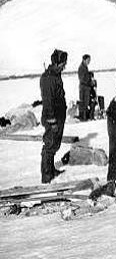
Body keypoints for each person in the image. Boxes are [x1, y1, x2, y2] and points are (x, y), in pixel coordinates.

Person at [40, 49, 68, 183]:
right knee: (49, 144)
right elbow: (48, 101)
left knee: (54, 144)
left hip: (58, 116)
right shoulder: (49, 78)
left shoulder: (55, 75)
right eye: (63, 63)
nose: (65, 66)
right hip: (53, 117)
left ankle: (51, 170)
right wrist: (52, 121)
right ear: (57, 63)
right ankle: (46, 175)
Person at [78, 54, 92, 121]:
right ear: (84, 60)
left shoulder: (85, 67)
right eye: (88, 60)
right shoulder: (81, 67)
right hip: (84, 87)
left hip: (86, 87)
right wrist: (89, 81)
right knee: (83, 102)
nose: (89, 61)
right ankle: (83, 117)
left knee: (86, 102)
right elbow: (82, 78)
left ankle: (85, 116)